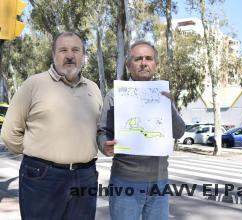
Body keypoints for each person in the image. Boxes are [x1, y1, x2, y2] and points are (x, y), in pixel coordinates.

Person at [1, 31, 103, 220]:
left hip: (85, 177)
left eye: (76, 50)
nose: (70, 55)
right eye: (63, 50)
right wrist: (38, 153)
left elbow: (97, 129)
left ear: (83, 55)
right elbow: (9, 133)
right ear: (53, 54)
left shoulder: (93, 88)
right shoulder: (33, 84)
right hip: (42, 177)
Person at [97, 41, 185, 220]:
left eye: (149, 59)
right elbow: (102, 131)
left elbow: (179, 132)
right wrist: (104, 145)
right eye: (138, 59)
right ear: (129, 65)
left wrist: (169, 106)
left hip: (159, 183)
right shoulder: (114, 95)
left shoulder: (163, 95)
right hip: (125, 182)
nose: (144, 63)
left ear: (156, 64)